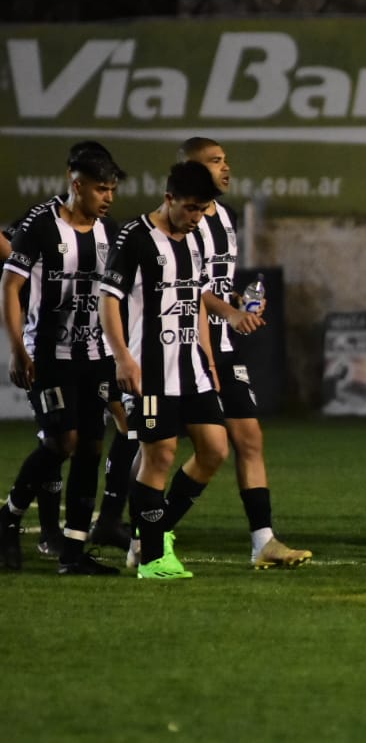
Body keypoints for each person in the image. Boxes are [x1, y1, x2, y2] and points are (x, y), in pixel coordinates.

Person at [180, 137, 312, 569]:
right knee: (161, 450)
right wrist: (232, 314)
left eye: (225, 160)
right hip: (182, 345)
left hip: (222, 345)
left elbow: (215, 284)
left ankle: (263, 540)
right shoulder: (184, 220)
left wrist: (239, 300)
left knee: (248, 438)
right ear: (191, 169)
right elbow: (189, 289)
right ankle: (142, 532)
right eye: (215, 161)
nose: (225, 168)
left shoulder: (227, 216)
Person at [100, 161, 230, 579]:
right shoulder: (135, 238)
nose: (196, 217)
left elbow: (194, 301)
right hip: (150, 369)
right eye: (190, 208)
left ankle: (149, 535)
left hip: (191, 368)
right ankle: (153, 559)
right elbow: (108, 301)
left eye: (203, 210)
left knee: (214, 450)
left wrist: (208, 358)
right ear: (169, 198)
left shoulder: (195, 239)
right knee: (159, 456)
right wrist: (121, 357)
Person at [0, 151, 123, 574]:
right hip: (49, 354)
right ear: (77, 184)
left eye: (111, 189)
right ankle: (9, 516)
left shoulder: (111, 232)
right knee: (60, 442)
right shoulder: (40, 225)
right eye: (100, 188)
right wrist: (18, 349)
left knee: (90, 447)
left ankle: (73, 551)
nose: (107, 197)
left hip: (96, 355)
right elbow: (10, 285)